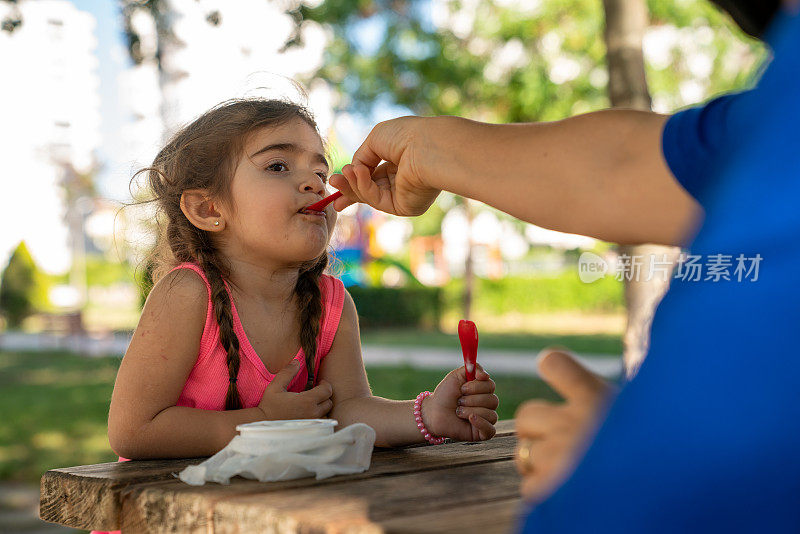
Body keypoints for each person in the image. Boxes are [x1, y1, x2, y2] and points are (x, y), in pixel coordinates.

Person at [327, 0, 800, 530]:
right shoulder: (771, 113)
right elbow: (624, 165)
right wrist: (428, 151)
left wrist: (630, 455)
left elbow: (699, 478)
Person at [105, 99, 498, 464]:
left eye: (321, 172)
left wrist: (428, 415)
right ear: (209, 208)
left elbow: (348, 413)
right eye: (278, 166)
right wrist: (261, 420)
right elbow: (133, 431)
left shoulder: (331, 303)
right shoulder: (188, 293)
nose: (314, 183)